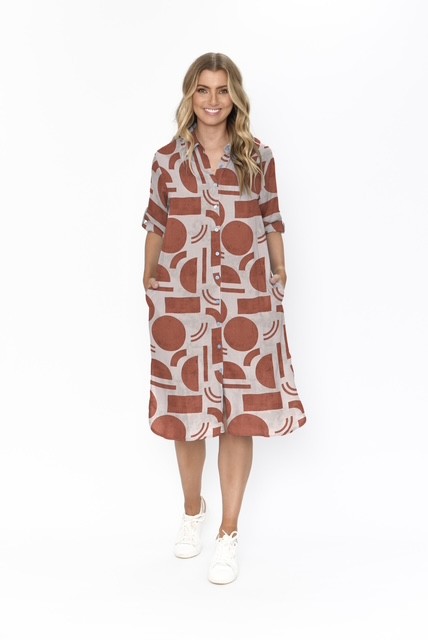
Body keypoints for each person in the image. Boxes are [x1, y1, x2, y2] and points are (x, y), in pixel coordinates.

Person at [142, 52, 307, 585]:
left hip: (246, 300)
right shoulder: (167, 160)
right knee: (187, 411)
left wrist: (279, 274)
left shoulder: (257, 156)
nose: (212, 101)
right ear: (189, 96)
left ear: (235, 95)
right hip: (182, 299)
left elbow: (272, 218)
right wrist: (149, 281)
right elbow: (155, 222)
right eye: (202, 90)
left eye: (221, 90)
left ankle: (228, 532)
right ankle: (193, 511)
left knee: (239, 414)